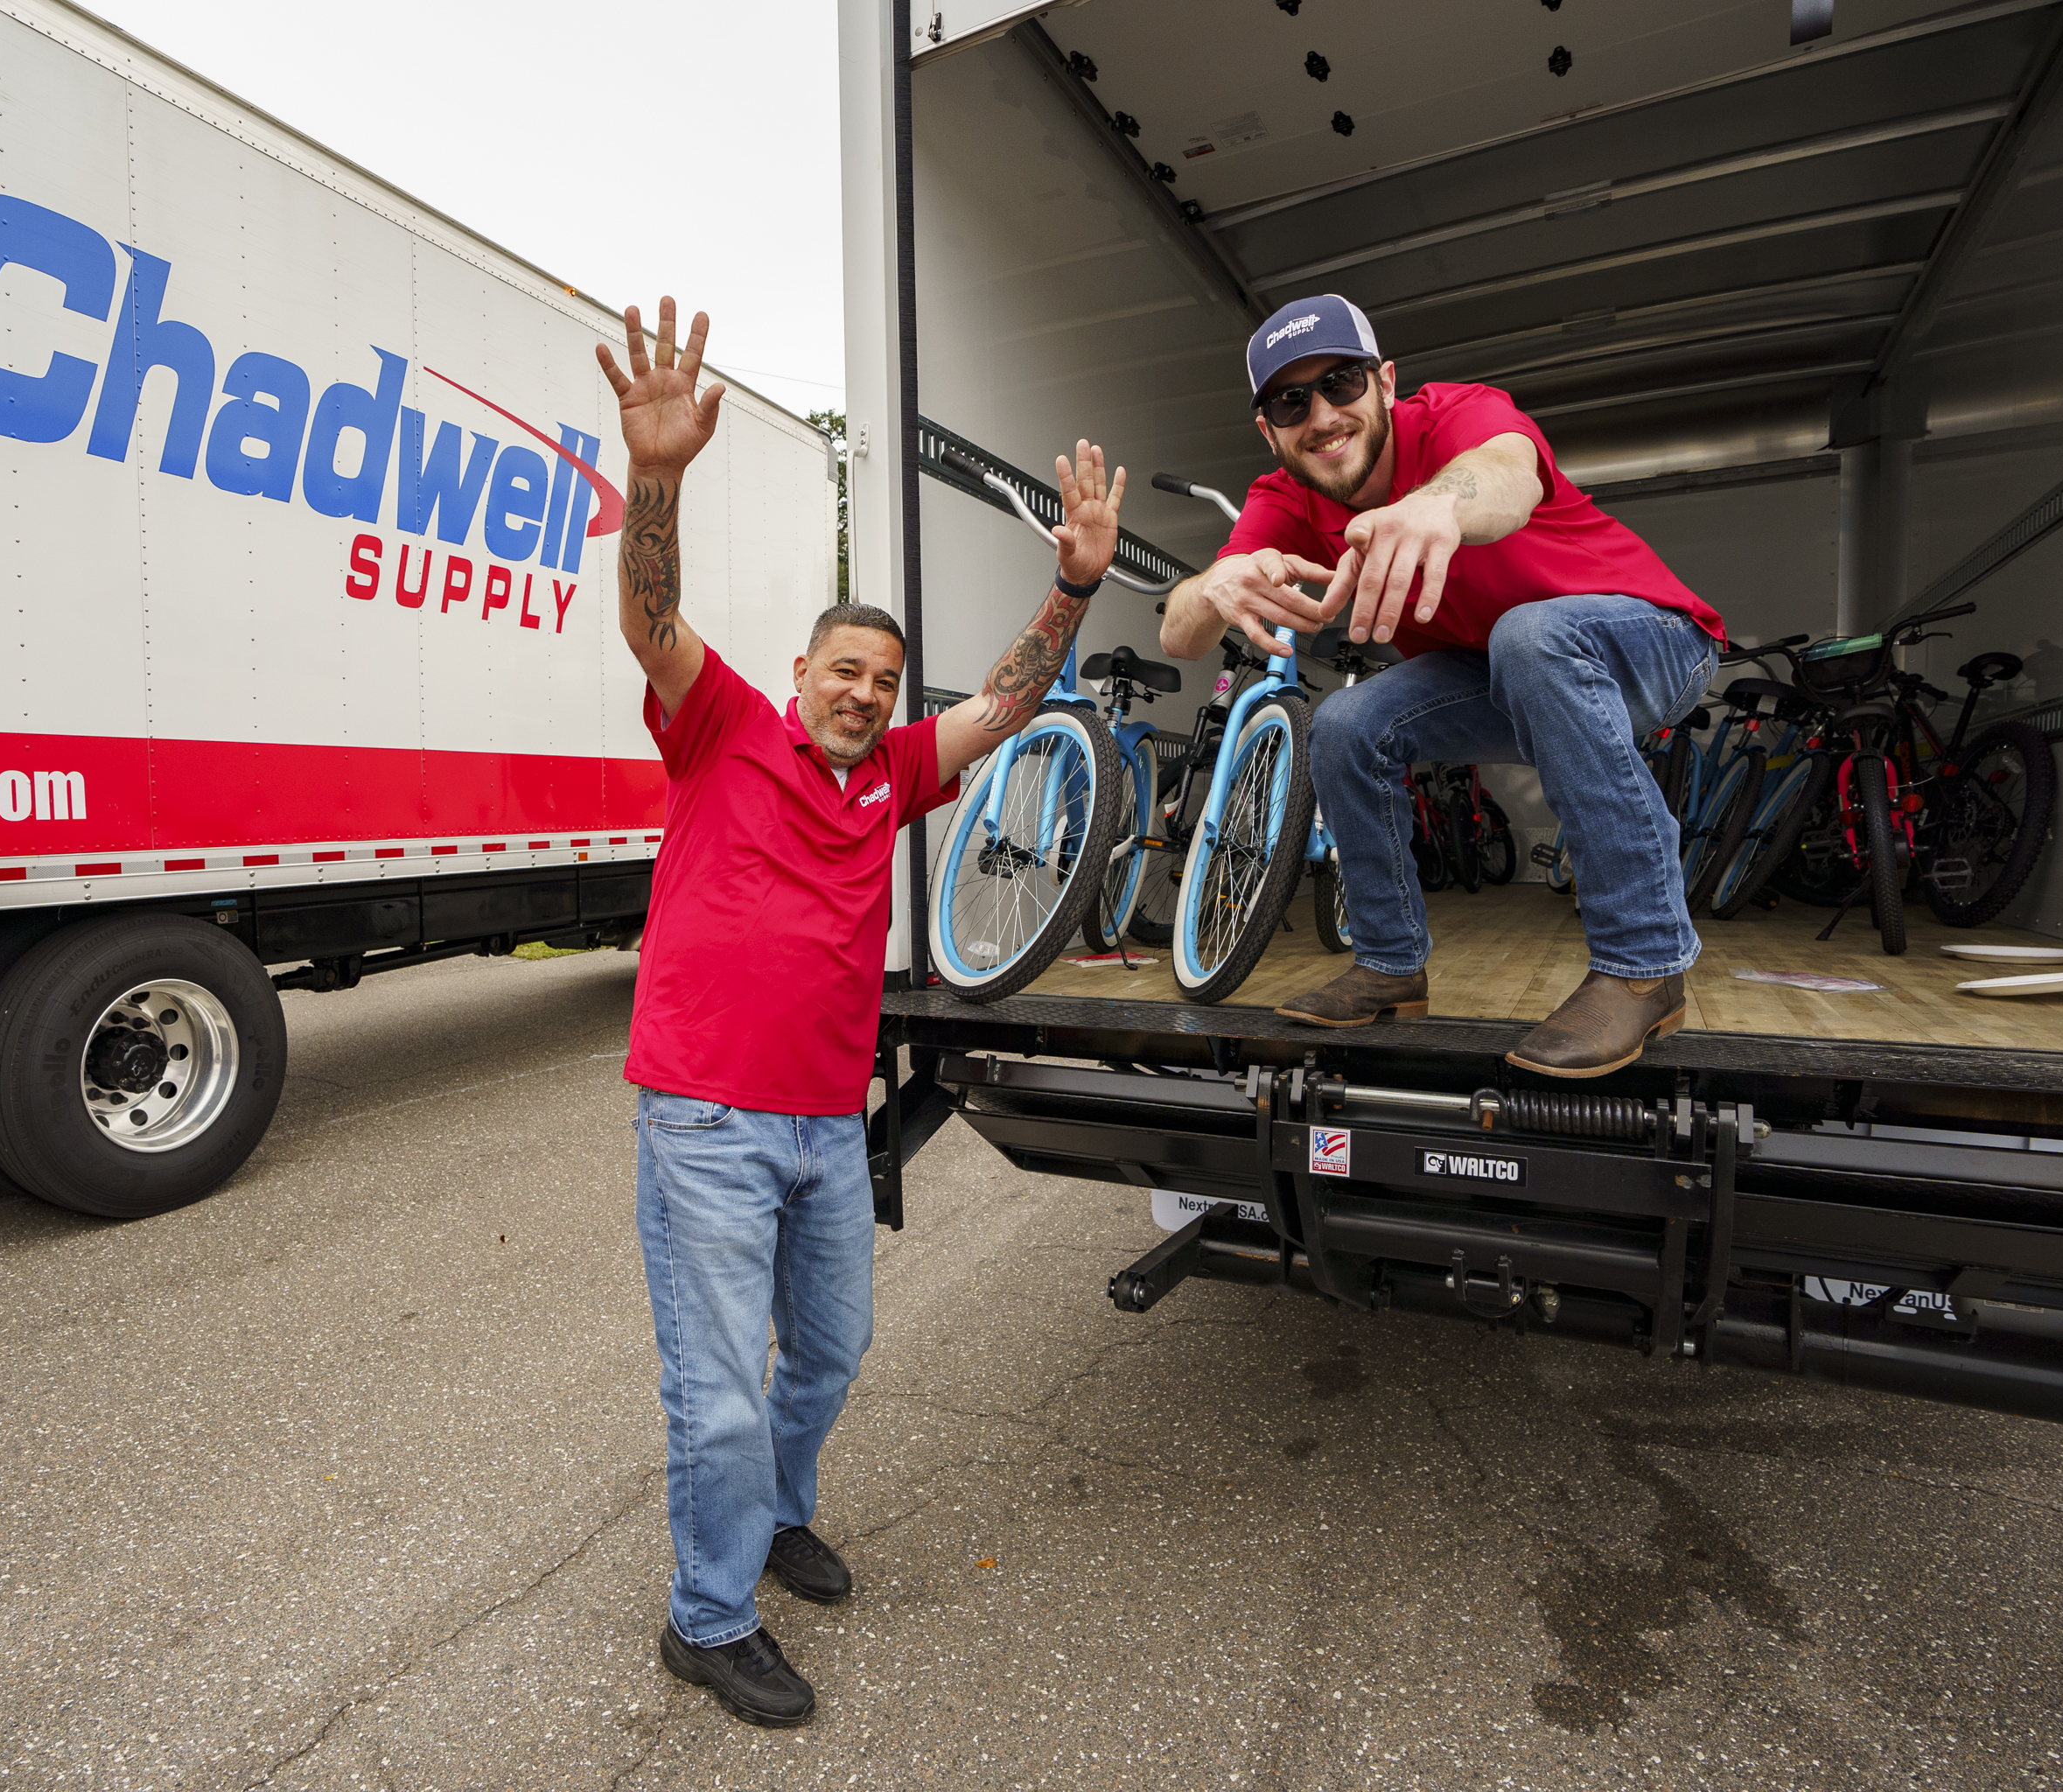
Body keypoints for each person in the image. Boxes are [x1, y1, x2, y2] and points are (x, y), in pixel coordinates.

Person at [599, 297, 1126, 1726]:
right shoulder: (720, 728)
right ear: (798, 674)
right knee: (713, 1387)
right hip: (703, 1117)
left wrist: (1069, 590)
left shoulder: (896, 768)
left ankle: (768, 1512)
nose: (864, 692)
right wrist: (658, 476)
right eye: (844, 669)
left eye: (884, 680)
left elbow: (1007, 704)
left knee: (825, 1350)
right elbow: (648, 615)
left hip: (827, 1127)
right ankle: (705, 1616)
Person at [1158, 293, 1727, 1077]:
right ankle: (1390, 967)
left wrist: (1436, 506)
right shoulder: (1286, 499)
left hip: (1658, 639)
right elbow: (1176, 634)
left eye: (1343, 383)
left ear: (1386, 382)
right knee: (1349, 722)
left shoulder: (1461, 417)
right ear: (1269, 428)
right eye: (1292, 401)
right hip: (1504, 667)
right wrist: (1217, 584)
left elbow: (1506, 474)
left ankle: (1644, 965)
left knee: (1529, 633)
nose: (1321, 415)